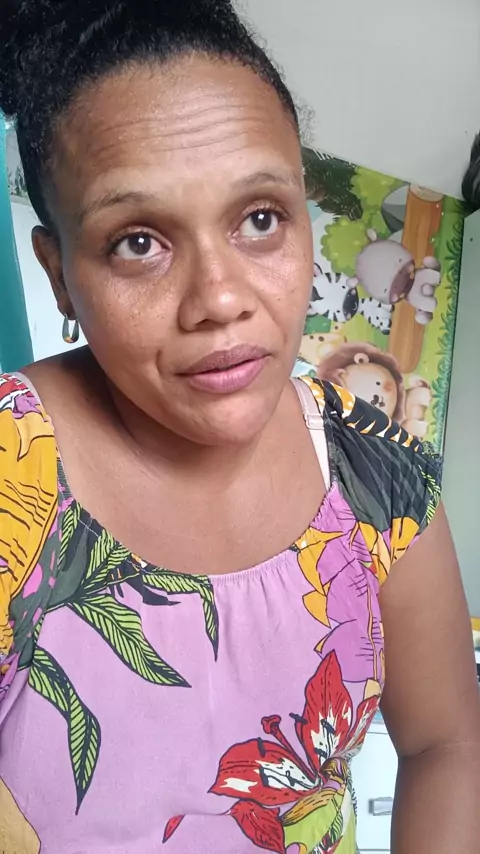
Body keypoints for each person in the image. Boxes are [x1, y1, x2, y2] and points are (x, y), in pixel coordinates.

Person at [0, 1, 478, 852]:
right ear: (61, 275)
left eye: (260, 219)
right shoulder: (11, 472)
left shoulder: (379, 474)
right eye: (138, 242)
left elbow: (449, 743)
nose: (220, 299)